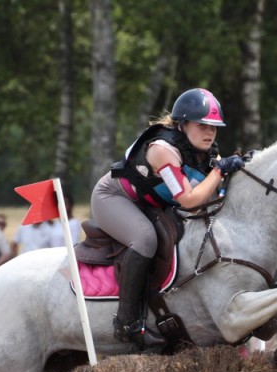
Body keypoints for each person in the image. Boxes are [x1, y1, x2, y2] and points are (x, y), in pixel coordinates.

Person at [92, 87, 242, 348]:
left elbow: (214, 192)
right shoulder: (163, 150)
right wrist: (219, 172)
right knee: (145, 239)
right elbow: (189, 200)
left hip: (150, 204)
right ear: (182, 124)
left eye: (214, 127)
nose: (209, 132)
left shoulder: (207, 152)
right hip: (114, 198)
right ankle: (127, 324)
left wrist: (238, 170)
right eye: (202, 125)